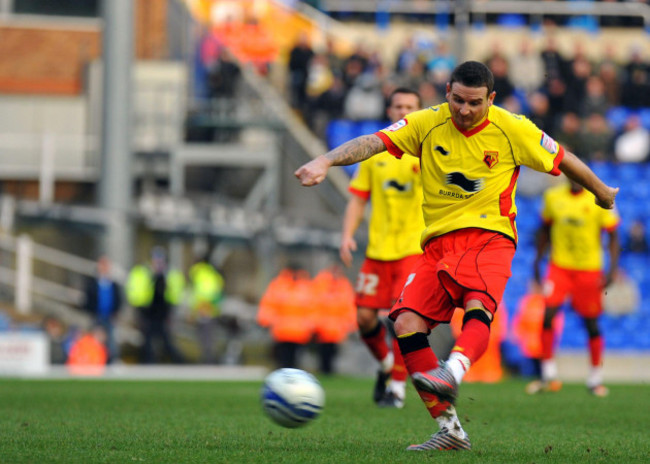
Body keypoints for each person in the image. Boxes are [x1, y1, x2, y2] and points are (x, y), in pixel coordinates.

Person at [295, 61, 618, 452]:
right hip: (435, 246)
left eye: (475, 103)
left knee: (478, 304)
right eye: (458, 100)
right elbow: (374, 142)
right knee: (406, 324)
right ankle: (450, 430)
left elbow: (563, 158)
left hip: (489, 236)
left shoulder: (513, 128)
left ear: (491, 98)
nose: (464, 111)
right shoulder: (426, 123)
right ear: (447, 90)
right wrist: (325, 160)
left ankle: (454, 369)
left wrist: (601, 192)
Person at [340, 87, 424, 408]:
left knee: (401, 319)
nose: (404, 111)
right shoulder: (374, 153)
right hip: (378, 251)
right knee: (363, 318)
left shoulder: (427, 150)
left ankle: (397, 389)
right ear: (389, 111)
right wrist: (347, 234)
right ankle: (387, 365)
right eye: (398, 106)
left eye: (410, 106)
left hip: (412, 251)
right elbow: (358, 199)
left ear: (418, 111)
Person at [526, 178, 620, 397]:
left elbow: (613, 235)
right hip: (559, 267)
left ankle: (595, 378)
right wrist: (537, 260)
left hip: (589, 269)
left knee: (591, 323)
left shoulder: (598, 200)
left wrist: (612, 269)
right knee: (548, 314)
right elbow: (544, 230)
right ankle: (547, 375)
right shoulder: (553, 197)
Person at [126, 247, 186, 364]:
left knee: (166, 342)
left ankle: (180, 363)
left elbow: (175, 294)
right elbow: (136, 293)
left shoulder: (170, 274)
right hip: (147, 312)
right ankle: (148, 364)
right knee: (147, 341)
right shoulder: (143, 273)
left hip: (163, 314)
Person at [82, 255, 122, 363]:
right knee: (95, 341)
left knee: (111, 343)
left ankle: (111, 362)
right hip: (96, 317)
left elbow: (118, 300)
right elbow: (87, 300)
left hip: (109, 317)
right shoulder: (92, 283)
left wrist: (115, 313)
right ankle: (95, 362)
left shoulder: (114, 284)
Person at [188, 255, 225, 364]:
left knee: (206, 337)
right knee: (207, 336)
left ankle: (208, 360)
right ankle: (208, 358)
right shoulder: (211, 274)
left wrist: (200, 309)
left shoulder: (202, 274)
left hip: (205, 309)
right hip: (207, 309)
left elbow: (205, 293)